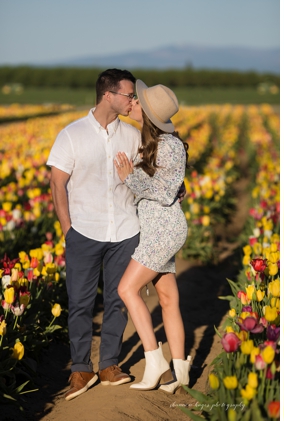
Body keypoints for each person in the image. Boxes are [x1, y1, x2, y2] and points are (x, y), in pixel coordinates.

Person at [47, 69, 139, 401]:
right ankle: (81, 368)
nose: (133, 101)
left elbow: (145, 175)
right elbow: (57, 183)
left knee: (119, 300)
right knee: (81, 303)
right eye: (129, 95)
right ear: (108, 95)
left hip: (126, 230)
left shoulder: (132, 137)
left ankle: (110, 365)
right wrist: (67, 230)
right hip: (84, 231)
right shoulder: (71, 135)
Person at [113, 80, 191, 393]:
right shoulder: (154, 142)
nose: (133, 103)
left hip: (164, 230)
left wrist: (129, 178)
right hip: (157, 228)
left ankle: (154, 359)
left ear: (147, 112)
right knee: (168, 299)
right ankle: (182, 374)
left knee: (126, 288)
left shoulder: (170, 145)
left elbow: (163, 191)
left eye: (137, 101)